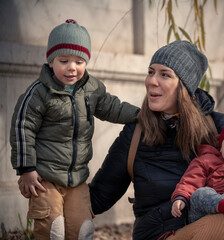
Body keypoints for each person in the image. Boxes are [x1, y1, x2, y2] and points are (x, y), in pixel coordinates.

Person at [89, 40, 224, 240]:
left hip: (213, 222)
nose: (152, 81)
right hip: (161, 233)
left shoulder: (218, 127)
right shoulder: (136, 133)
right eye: (150, 72)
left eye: (164, 74)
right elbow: (98, 197)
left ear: (184, 86)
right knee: (223, 226)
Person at [11, 19, 139, 240]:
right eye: (64, 60)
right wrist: (26, 169)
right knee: (53, 229)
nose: (72, 67)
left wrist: (141, 114)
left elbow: (112, 107)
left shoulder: (92, 89)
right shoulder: (39, 93)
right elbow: (23, 128)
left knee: (82, 230)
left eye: (79, 61)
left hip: (77, 178)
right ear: (50, 61)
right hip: (45, 177)